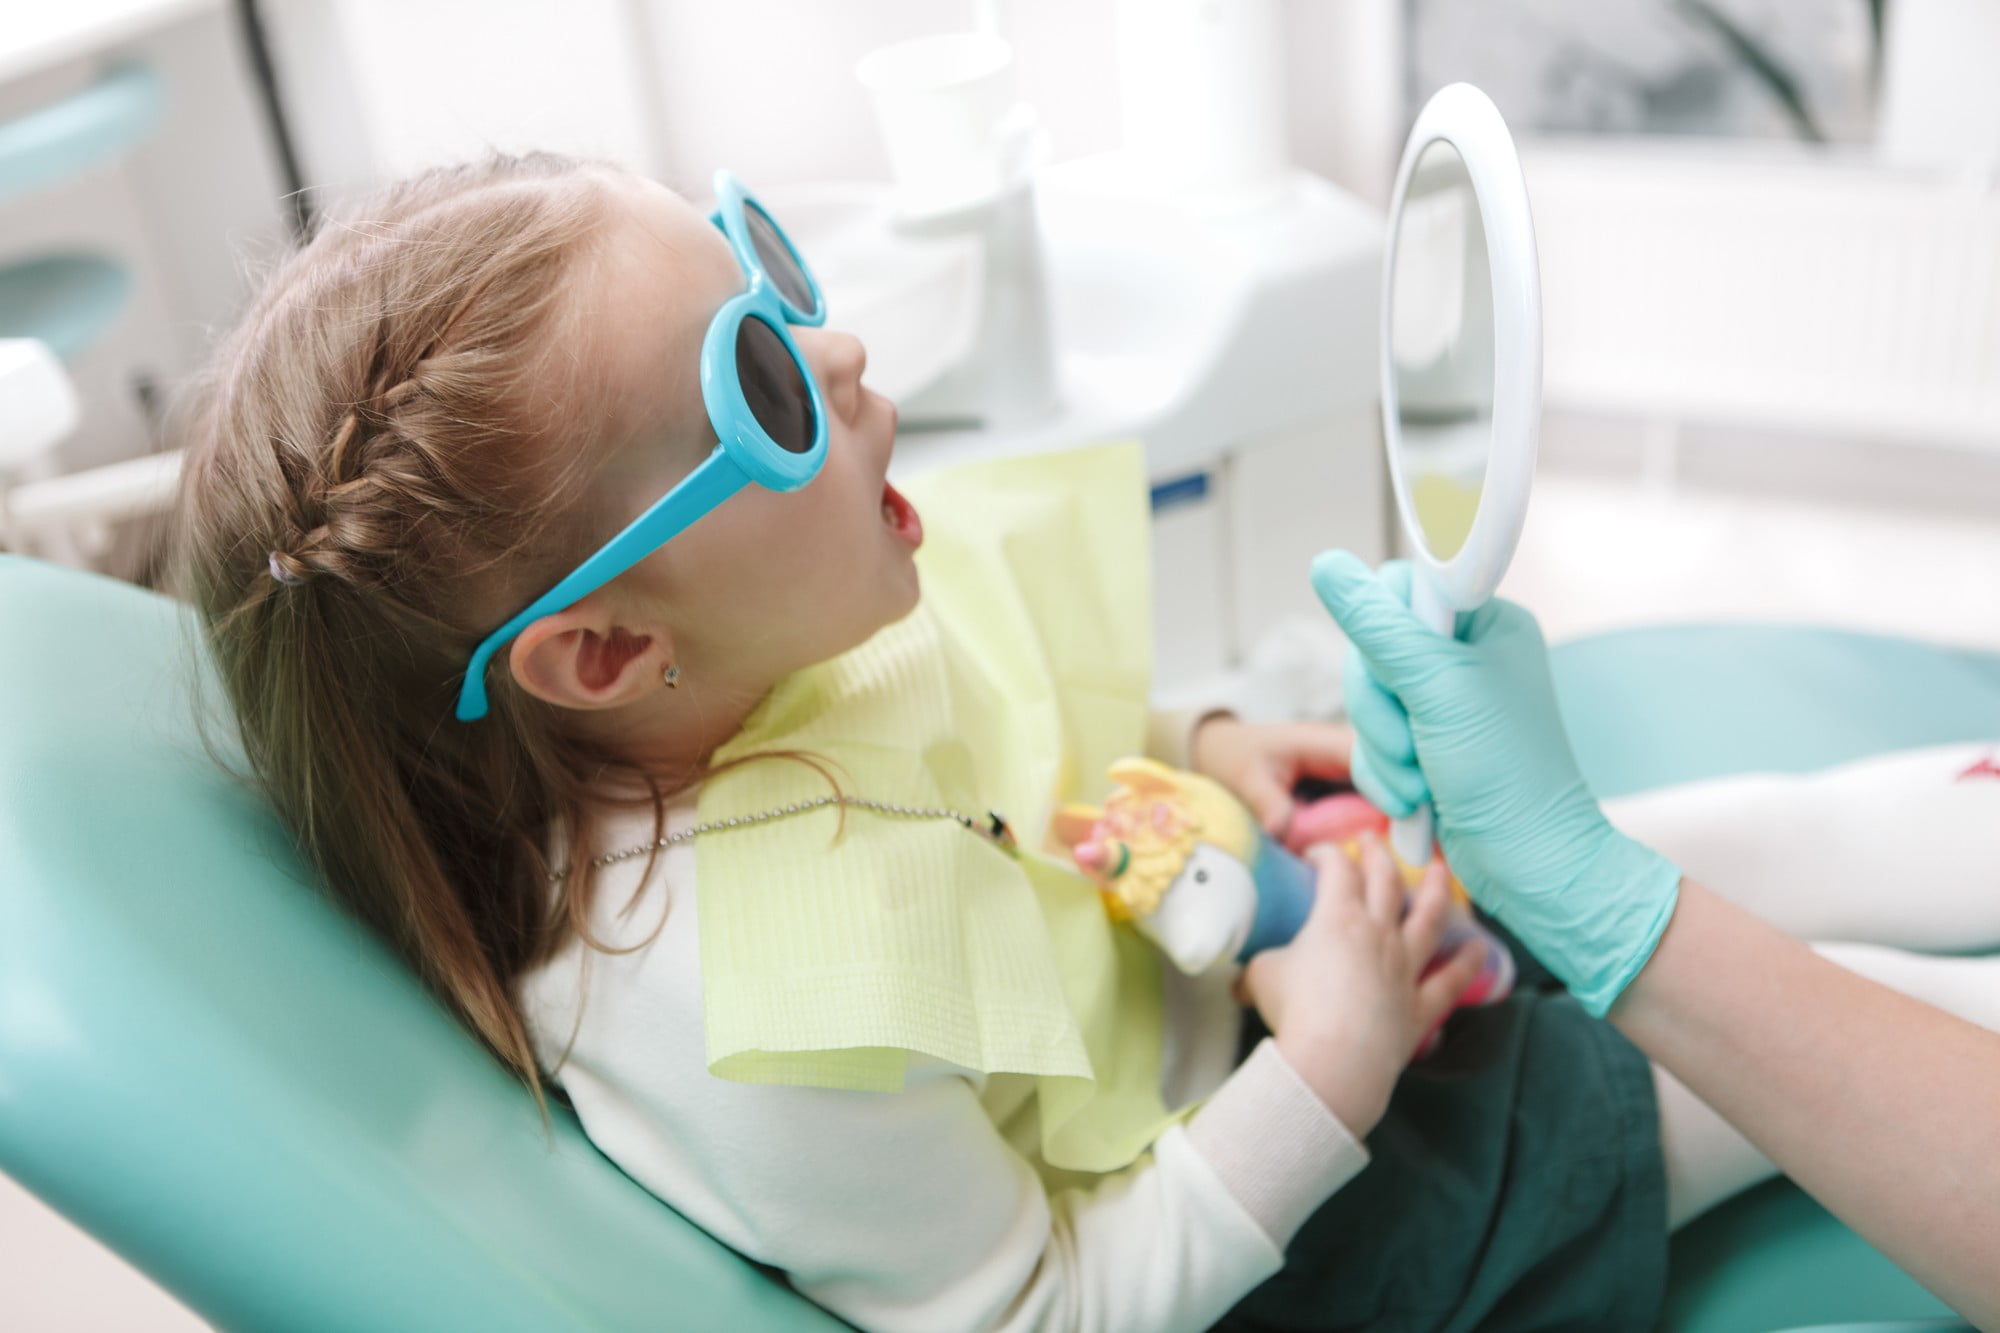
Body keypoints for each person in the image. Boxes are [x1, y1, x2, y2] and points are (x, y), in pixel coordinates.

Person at [167, 151, 1942, 1333]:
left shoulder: (742, 659)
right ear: (609, 645)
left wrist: (1216, 734)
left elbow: (1000, 737)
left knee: (1677, 847)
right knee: (1778, 1040)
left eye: (775, 278)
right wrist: (1334, 1058)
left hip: (1233, 981)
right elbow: (1054, 1309)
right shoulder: (763, 1022)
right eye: (762, 382)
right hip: (1295, 1222)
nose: (843, 346)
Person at [1311, 551, 2000, 1327]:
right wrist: (1314, 1076)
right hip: (1335, 1162)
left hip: (1314, 887)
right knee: (1866, 996)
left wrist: (1206, 738)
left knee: (1767, 840)